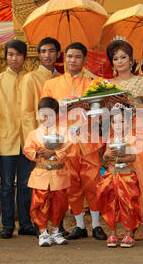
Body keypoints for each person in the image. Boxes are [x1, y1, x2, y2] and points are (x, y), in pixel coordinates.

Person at [41, 42, 107, 241]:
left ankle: (96, 225)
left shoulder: (94, 84)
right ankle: (79, 226)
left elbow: (103, 113)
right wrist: (63, 108)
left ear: (85, 60)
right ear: (64, 58)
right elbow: (45, 113)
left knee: (93, 183)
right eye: (69, 56)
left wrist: (89, 108)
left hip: (89, 140)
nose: (73, 60)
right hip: (65, 142)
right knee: (72, 185)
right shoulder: (51, 84)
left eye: (77, 57)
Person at [106, 38, 143, 240]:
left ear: (131, 60)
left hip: (138, 132)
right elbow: (104, 112)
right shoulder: (108, 85)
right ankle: (121, 222)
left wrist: (128, 103)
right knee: (117, 177)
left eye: (123, 57)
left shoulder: (142, 82)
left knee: (141, 176)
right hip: (116, 132)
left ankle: (142, 223)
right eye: (115, 58)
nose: (119, 61)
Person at [0, 39, 38, 238]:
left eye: (17, 54)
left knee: (26, 184)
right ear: (6, 56)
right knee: (6, 185)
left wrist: (36, 140)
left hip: (27, 141)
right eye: (10, 55)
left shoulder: (30, 79)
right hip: (5, 141)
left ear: (24, 57)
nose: (13, 58)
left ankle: (25, 223)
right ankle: (7, 225)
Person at [23, 97, 72, 246]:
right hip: (41, 175)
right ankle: (43, 232)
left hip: (59, 175)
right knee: (39, 204)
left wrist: (54, 153)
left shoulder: (64, 132)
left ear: (56, 115)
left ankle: (56, 230)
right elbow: (27, 149)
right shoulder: (33, 134)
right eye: (43, 115)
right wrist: (38, 153)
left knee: (60, 204)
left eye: (50, 115)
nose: (46, 118)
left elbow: (68, 146)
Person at [97, 104, 143, 248]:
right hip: (111, 174)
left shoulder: (131, 138)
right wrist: (107, 155)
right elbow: (105, 157)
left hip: (126, 175)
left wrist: (118, 159)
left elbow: (132, 158)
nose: (117, 125)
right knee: (111, 203)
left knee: (128, 203)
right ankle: (113, 233)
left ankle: (129, 233)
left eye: (121, 122)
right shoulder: (110, 138)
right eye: (114, 122)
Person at [21, 37, 62, 137]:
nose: (47, 55)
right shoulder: (30, 78)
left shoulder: (63, 78)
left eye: (51, 51)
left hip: (61, 134)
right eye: (43, 51)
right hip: (40, 134)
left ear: (58, 54)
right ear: (39, 55)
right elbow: (27, 112)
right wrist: (35, 138)